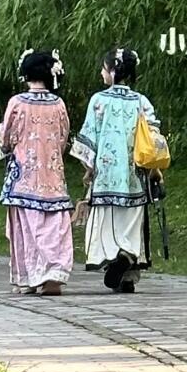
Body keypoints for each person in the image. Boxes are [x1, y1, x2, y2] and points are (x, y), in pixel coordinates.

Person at [71, 47, 159, 294]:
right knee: (132, 224)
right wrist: (154, 170)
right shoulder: (141, 101)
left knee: (109, 225)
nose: (101, 73)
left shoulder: (99, 100)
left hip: (107, 176)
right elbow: (153, 136)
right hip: (135, 176)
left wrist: (89, 168)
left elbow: (89, 139)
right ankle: (128, 268)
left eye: (103, 68)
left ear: (112, 71)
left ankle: (115, 259)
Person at [0, 49, 73, 296]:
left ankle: (29, 278)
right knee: (54, 226)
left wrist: (7, 146)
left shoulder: (17, 102)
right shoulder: (58, 104)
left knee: (26, 229)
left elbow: (6, 138)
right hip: (53, 176)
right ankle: (53, 275)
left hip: (24, 177)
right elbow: (63, 137)